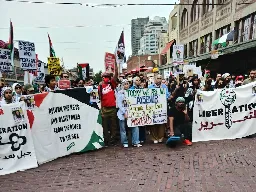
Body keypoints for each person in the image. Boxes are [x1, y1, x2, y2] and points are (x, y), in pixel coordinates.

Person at [117, 80, 142, 148]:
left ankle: (135, 142)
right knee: (123, 129)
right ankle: (125, 142)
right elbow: (119, 104)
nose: (126, 85)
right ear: (122, 85)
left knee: (135, 127)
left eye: (127, 84)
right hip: (122, 114)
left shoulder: (132, 92)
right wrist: (124, 112)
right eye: (125, 84)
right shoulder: (120, 93)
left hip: (132, 113)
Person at [148, 75, 170, 144]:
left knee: (162, 121)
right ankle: (154, 137)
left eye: (160, 78)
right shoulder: (150, 87)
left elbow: (167, 95)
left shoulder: (164, 87)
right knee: (154, 122)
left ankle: (161, 137)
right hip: (153, 106)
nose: (159, 80)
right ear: (155, 79)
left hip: (162, 106)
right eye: (158, 78)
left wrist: (166, 96)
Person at [98, 71, 118, 146]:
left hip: (113, 108)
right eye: (103, 77)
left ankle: (113, 140)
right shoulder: (100, 86)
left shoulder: (112, 84)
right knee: (105, 126)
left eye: (106, 77)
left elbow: (116, 75)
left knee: (114, 125)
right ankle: (107, 140)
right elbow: (100, 98)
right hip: (104, 108)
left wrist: (116, 62)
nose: (105, 78)